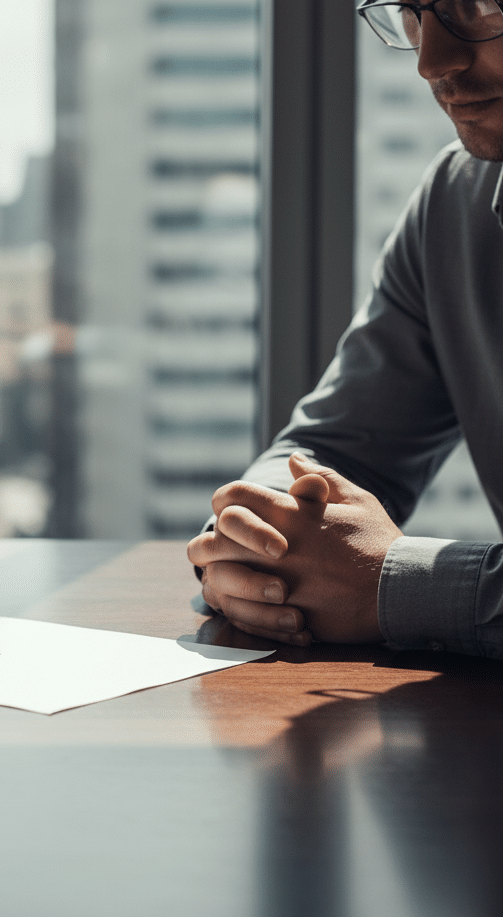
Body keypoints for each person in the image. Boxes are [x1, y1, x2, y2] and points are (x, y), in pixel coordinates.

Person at [187, 0, 503, 661]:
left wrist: (393, 583)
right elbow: (339, 449)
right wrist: (261, 537)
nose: (431, 60)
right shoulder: (456, 200)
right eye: (414, 12)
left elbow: (377, 575)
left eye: (476, 6)